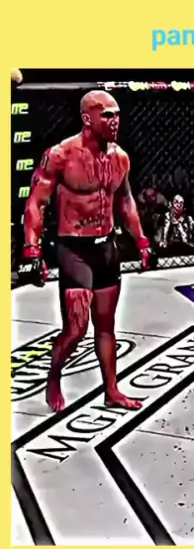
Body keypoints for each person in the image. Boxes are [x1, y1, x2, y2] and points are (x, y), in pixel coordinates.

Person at [21, 90, 155, 413]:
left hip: (106, 247)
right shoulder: (61, 155)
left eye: (117, 114)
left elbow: (125, 201)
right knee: (76, 329)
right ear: (87, 119)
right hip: (74, 249)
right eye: (106, 115)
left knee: (106, 326)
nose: (115, 120)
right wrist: (32, 250)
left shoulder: (120, 158)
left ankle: (112, 391)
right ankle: (54, 375)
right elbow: (36, 203)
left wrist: (141, 241)